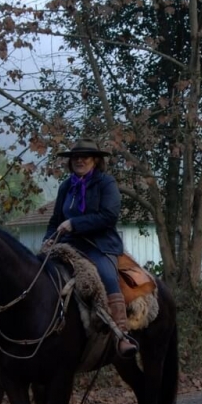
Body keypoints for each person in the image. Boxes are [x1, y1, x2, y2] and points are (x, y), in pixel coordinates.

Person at [44, 138, 137, 359]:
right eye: (76, 157)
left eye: (85, 157)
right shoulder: (66, 186)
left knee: (106, 275)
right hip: (69, 246)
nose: (80, 160)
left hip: (100, 245)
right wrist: (49, 239)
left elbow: (108, 216)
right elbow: (55, 220)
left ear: (95, 160)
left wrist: (75, 223)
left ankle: (121, 335)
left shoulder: (106, 183)